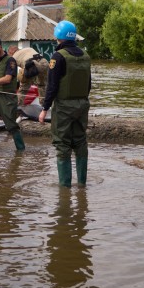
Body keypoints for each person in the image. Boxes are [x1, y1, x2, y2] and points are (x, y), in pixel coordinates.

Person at [38, 20, 91, 188]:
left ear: (58, 37)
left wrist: (44, 108)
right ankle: (82, 184)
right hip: (82, 105)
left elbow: (52, 86)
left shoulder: (58, 57)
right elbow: (88, 84)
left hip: (64, 107)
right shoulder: (85, 55)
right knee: (80, 142)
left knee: (62, 144)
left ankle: (65, 189)